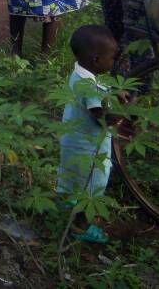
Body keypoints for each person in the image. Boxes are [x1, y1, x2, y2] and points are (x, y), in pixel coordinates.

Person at [57, 24, 123, 245]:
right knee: (92, 187)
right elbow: (98, 113)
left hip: (74, 141)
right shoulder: (88, 85)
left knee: (74, 176)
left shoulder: (79, 73)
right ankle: (80, 225)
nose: (113, 62)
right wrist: (120, 117)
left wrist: (113, 91)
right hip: (88, 148)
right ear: (96, 60)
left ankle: (70, 198)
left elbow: (97, 92)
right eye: (112, 58)